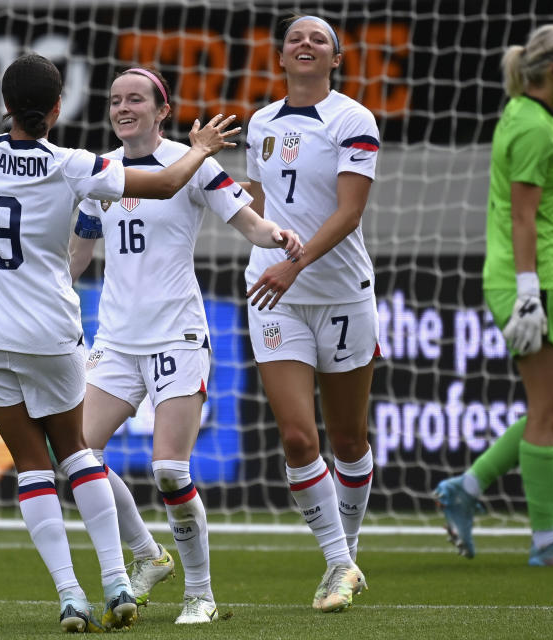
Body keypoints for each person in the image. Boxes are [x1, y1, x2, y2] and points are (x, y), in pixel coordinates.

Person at [0, 53, 240, 632]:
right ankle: (119, 582)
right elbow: (168, 181)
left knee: (31, 466)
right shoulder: (73, 163)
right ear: (57, 109)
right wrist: (202, 149)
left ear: (3, 107)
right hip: (48, 332)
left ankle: (71, 596)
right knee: (76, 454)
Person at [67, 66, 304, 625]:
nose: (123, 108)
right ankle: (148, 555)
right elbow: (76, 257)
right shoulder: (100, 173)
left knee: (170, 470)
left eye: (135, 100)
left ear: (162, 109)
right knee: (75, 458)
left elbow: (248, 223)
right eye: (115, 100)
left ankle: (201, 593)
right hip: (118, 342)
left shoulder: (195, 162)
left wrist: (279, 236)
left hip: (177, 335)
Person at [433, 24, 553, 567]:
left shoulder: (525, 113)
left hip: (540, 274)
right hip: (526, 281)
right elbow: (523, 216)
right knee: (551, 407)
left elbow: (538, 216)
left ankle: (467, 486)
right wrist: (532, 286)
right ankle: (546, 542)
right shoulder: (535, 128)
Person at [242, 15, 381, 612]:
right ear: (280, 57)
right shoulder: (260, 123)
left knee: (348, 439)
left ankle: (345, 557)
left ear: (335, 59)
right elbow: (257, 206)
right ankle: (338, 565)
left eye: (318, 38)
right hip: (274, 292)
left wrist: (295, 263)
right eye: (296, 38)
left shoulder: (353, 119)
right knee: (299, 437)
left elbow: (350, 212)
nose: (305, 44)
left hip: (342, 292)